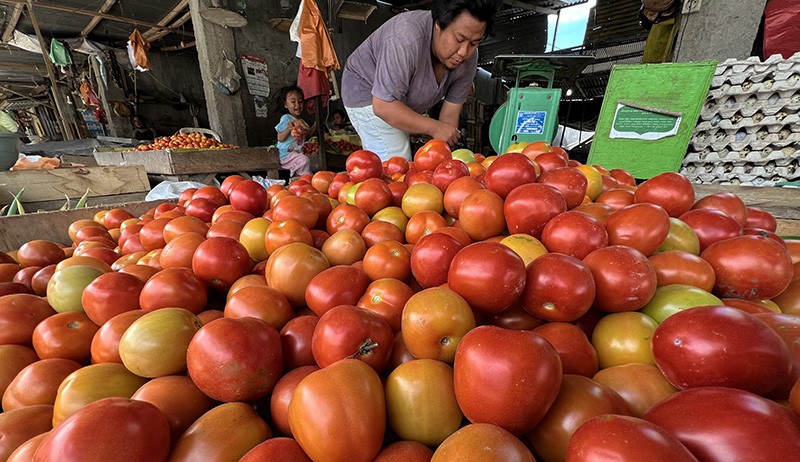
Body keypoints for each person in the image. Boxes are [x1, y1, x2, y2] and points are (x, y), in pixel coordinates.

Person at [341, 0, 501, 161]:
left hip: (400, 101)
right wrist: (435, 127)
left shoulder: (470, 59)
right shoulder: (404, 38)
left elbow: (450, 115)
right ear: (438, 24)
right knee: (396, 163)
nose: (463, 52)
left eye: (474, 43)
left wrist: (443, 160)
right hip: (368, 92)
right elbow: (383, 106)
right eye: (459, 39)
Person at [274, 85, 312, 177]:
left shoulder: (302, 122)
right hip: (285, 155)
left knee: (306, 159)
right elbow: (280, 138)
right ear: (285, 104)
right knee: (304, 160)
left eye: (300, 101)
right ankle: (304, 180)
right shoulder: (286, 118)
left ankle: (298, 179)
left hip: (296, 154)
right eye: (293, 102)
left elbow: (307, 136)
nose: (297, 105)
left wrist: (315, 126)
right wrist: (288, 128)